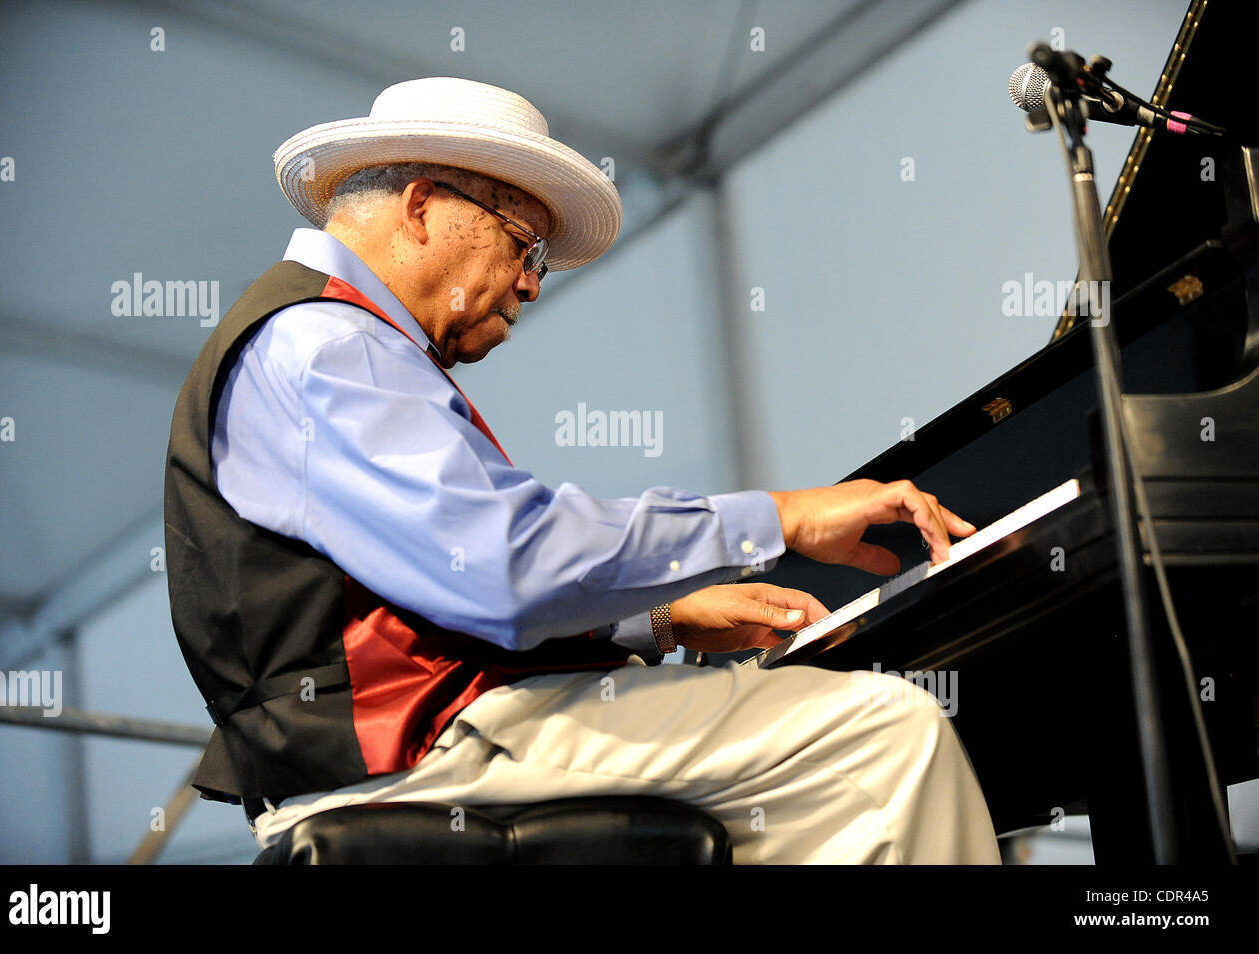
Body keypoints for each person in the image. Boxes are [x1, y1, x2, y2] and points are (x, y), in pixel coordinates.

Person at [163, 76, 1001, 864]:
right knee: (890, 734)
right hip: (419, 756)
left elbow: (428, 590)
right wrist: (778, 516)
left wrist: (655, 620)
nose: (530, 286)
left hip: (396, 751)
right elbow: (503, 566)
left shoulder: (321, 340)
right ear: (422, 208)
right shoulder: (328, 346)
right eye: (524, 247)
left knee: (817, 800)